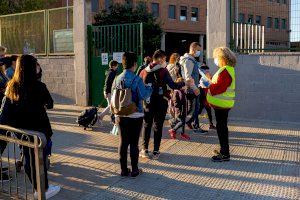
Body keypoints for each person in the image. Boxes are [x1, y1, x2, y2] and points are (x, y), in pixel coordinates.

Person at [0, 55, 60, 198]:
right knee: (40, 161)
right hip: (39, 132)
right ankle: (42, 190)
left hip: (22, 132)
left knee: (28, 160)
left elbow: (5, 112)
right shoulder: (39, 86)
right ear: (32, 68)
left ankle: (37, 188)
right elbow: (50, 104)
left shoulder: (11, 86)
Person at [139, 50, 186, 159]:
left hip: (148, 102)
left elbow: (139, 86)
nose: (165, 61)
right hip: (161, 101)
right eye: (164, 59)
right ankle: (156, 151)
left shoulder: (143, 71)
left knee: (146, 125)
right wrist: (184, 83)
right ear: (160, 59)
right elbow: (173, 85)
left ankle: (144, 150)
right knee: (158, 126)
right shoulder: (163, 71)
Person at [114, 52, 152, 177]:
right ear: (135, 64)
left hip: (120, 114)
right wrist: (149, 88)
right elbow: (143, 95)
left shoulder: (117, 78)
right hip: (135, 114)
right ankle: (135, 170)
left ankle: (123, 170)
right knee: (134, 143)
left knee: (123, 142)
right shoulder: (137, 79)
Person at [201, 47, 236, 162]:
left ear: (222, 58)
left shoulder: (225, 70)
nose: (215, 59)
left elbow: (219, 88)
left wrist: (207, 85)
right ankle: (223, 150)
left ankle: (225, 154)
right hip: (222, 104)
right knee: (222, 128)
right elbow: (219, 83)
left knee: (221, 129)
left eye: (216, 57)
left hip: (222, 105)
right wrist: (210, 78)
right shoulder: (226, 69)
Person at [179, 42, 206, 134]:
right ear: (193, 49)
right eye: (198, 50)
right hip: (191, 88)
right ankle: (193, 126)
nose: (199, 52)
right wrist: (195, 88)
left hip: (192, 87)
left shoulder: (191, 60)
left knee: (194, 108)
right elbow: (188, 76)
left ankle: (190, 123)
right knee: (194, 108)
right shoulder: (189, 60)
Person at [198, 63, 216, 130]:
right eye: (207, 71)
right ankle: (191, 122)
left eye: (208, 71)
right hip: (204, 99)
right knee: (198, 112)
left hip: (207, 99)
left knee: (209, 112)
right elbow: (208, 86)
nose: (208, 72)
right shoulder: (202, 80)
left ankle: (211, 125)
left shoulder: (208, 78)